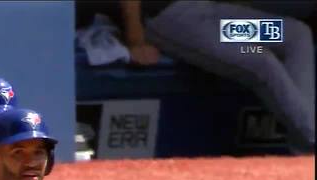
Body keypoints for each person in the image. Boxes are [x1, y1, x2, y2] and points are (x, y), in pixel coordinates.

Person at [77, 0, 315, 153]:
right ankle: (310, 137)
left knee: (295, 35)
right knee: (261, 60)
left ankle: (304, 142)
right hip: (171, 19)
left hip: (210, 15)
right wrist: (136, 41)